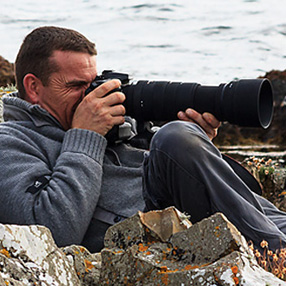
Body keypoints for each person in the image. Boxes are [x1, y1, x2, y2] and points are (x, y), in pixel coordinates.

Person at [0, 26, 286, 254]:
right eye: (75, 86)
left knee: (178, 137)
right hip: (144, 226)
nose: (89, 97)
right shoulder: (11, 142)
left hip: (201, 209)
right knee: (174, 137)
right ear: (33, 87)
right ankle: (276, 254)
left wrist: (197, 145)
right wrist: (85, 136)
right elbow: (50, 231)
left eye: (92, 82)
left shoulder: (110, 121)